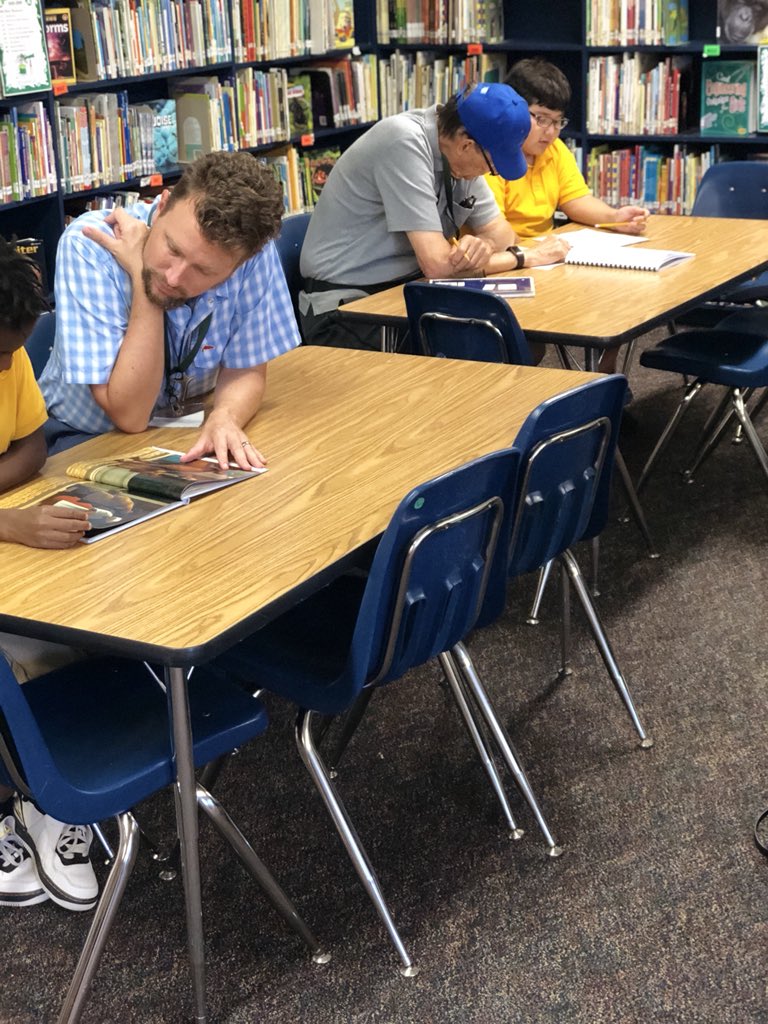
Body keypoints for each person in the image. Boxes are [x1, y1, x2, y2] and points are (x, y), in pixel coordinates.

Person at [40, 151, 300, 469]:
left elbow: (246, 368)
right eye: (172, 248)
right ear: (161, 207)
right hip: (88, 439)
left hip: (183, 424)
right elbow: (130, 416)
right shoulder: (90, 244)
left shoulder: (252, 253)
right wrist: (143, 280)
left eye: (203, 271)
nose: (174, 277)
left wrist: (225, 415)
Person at [299, 82, 572, 350]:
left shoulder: (456, 153)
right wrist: (521, 257)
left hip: (403, 293)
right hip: (345, 309)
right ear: (467, 145)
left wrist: (484, 245)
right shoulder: (404, 142)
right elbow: (439, 266)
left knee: (521, 340)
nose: (490, 174)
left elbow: (503, 235)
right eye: (493, 166)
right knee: (486, 350)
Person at [0, 236, 97, 912]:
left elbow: (33, 445)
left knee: (78, 615)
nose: (8, 363)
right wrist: (10, 523)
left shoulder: (10, 349)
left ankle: (47, 791)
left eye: (15, 350)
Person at [486, 58, 648, 373]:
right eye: (541, 119)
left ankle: (603, 389)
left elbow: (576, 200)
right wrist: (535, 252)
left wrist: (616, 217)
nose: (549, 132)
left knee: (620, 299)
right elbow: (496, 232)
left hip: (547, 259)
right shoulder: (495, 154)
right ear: (516, 112)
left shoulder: (555, 150)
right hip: (507, 262)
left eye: (557, 121)